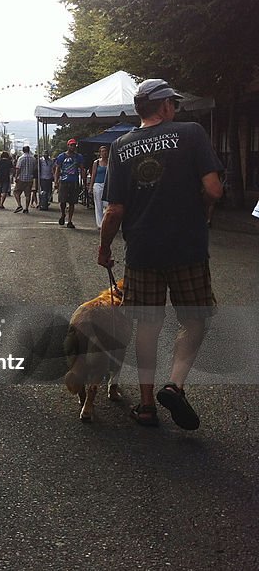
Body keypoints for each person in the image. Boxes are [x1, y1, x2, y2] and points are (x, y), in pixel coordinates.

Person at [98, 78, 222, 430]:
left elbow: (115, 210)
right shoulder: (192, 133)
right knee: (195, 320)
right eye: (174, 104)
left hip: (143, 251)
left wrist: (105, 248)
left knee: (147, 327)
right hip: (188, 248)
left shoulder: (121, 146)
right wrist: (201, 207)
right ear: (166, 106)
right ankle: (175, 384)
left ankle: (148, 404)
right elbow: (213, 188)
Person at [54, 138, 86, 228]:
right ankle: (63, 214)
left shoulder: (79, 157)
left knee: (72, 202)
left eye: (74, 145)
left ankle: (70, 220)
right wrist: (56, 181)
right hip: (64, 181)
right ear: (68, 145)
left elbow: (82, 169)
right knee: (62, 201)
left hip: (74, 181)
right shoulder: (61, 156)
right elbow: (57, 169)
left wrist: (84, 181)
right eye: (71, 145)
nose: (73, 147)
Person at [90, 145, 110, 229]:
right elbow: (93, 174)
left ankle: (106, 221)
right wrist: (90, 186)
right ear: (100, 153)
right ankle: (100, 224)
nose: (104, 153)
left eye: (105, 151)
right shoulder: (96, 162)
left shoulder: (110, 162)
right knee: (98, 204)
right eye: (102, 151)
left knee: (107, 204)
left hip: (107, 184)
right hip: (98, 184)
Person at [13, 145, 36, 213]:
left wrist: (16, 176)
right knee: (28, 194)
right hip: (30, 178)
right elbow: (35, 168)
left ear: (23, 150)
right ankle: (26, 208)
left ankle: (19, 205)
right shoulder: (33, 158)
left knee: (16, 192)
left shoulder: (21, 158)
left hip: (21, 178)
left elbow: (18, 168)